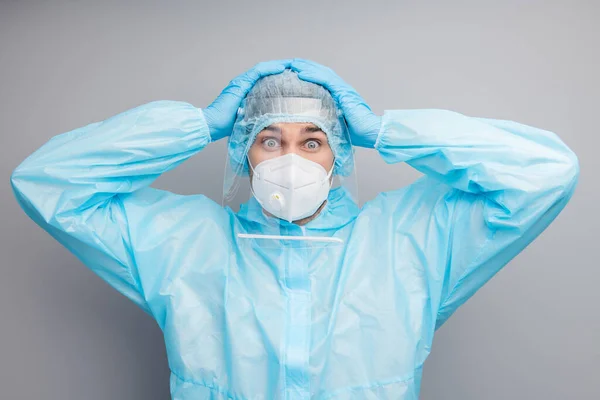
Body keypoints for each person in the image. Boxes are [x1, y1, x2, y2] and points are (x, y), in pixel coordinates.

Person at [10, 58, 579, 400]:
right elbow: (47, 182)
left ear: (339, 158)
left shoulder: (410, 241)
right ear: (243, 154)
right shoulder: (183, 245)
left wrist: (385, 131)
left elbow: (545, 173)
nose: (291, 158)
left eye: (312, 141)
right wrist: (195, 126)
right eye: (268, 139)